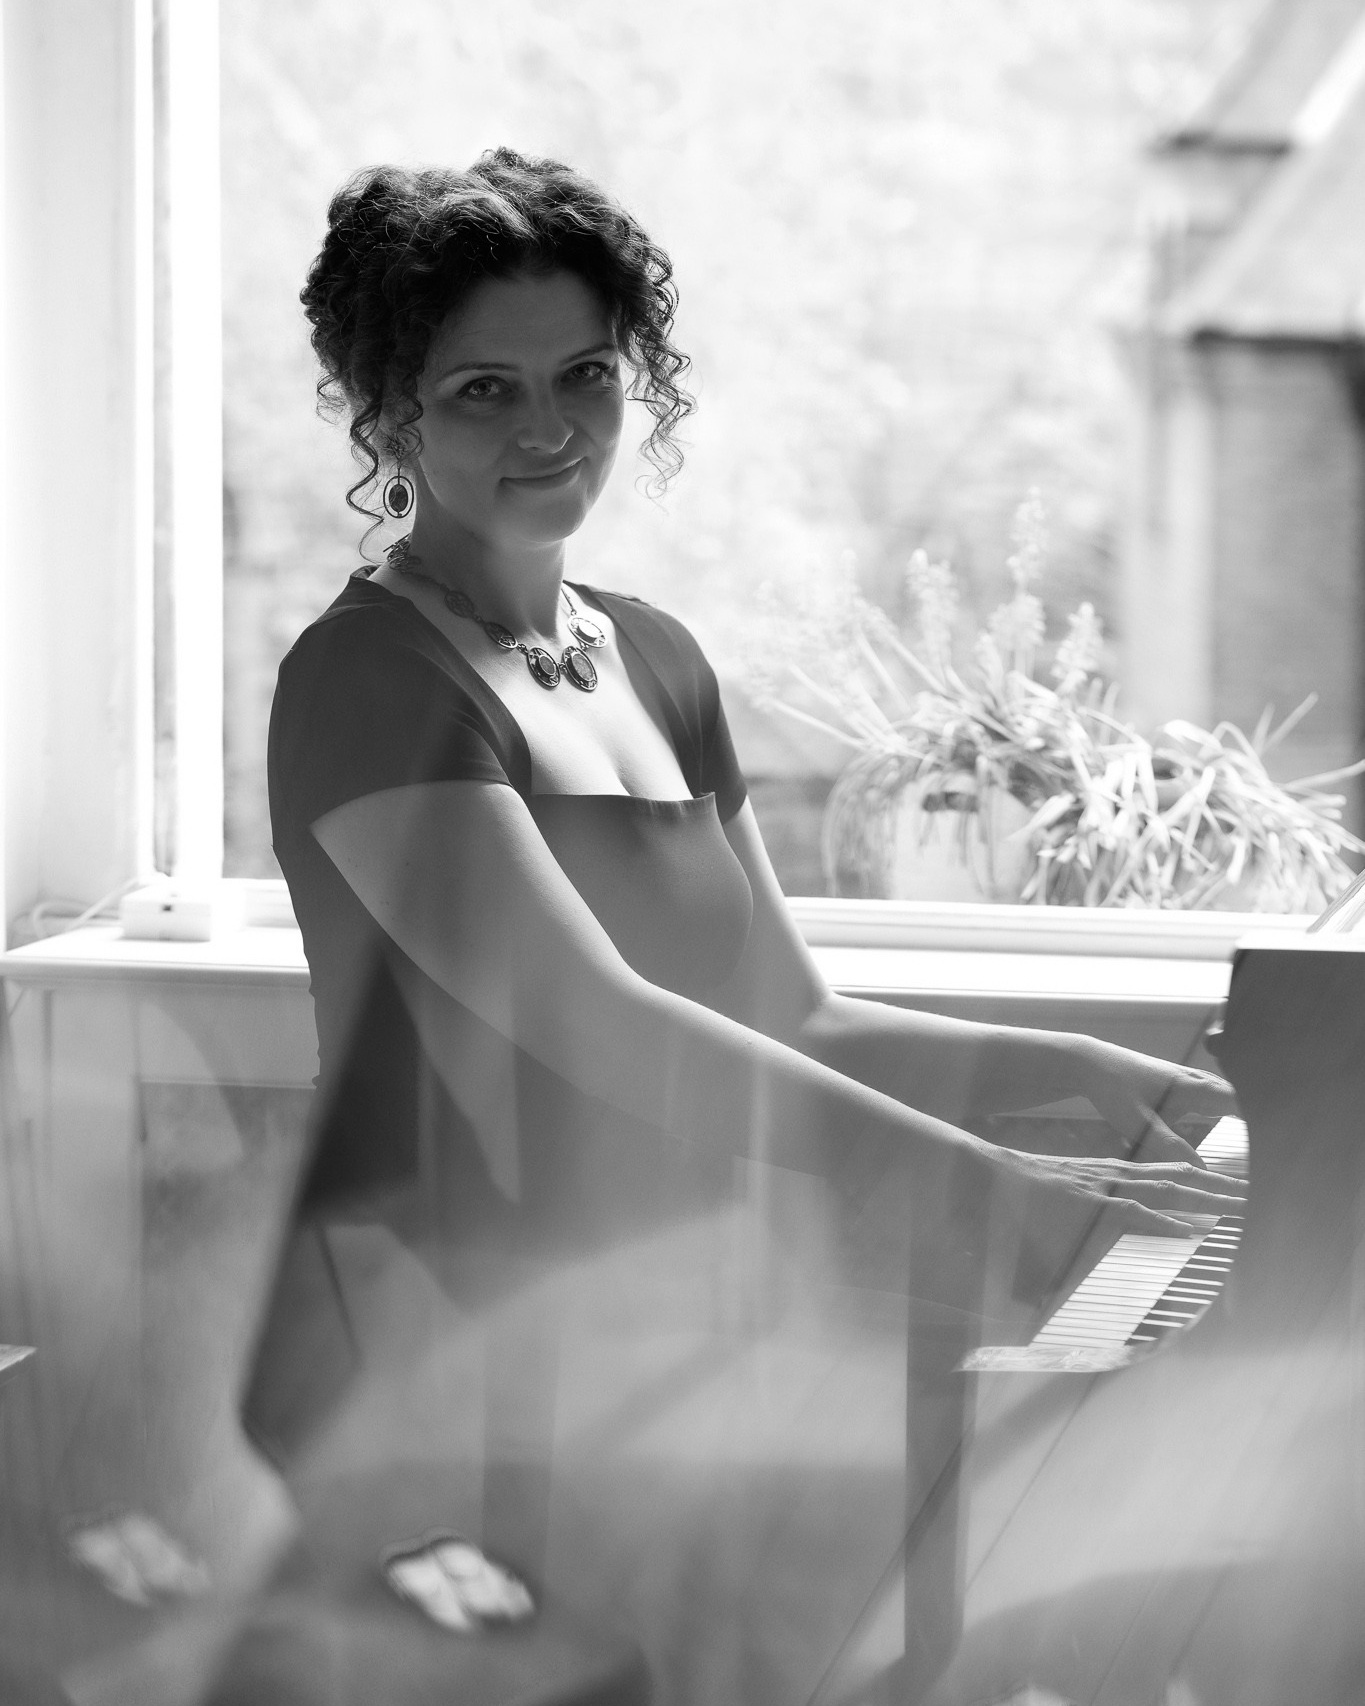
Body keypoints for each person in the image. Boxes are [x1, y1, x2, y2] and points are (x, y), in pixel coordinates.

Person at [251, 147, 1243, 1688]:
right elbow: (599, 1026)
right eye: (481, 392)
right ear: (385, 414)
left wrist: (1092, 1075)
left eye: (583, 372)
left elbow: (790, 1012)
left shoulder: (653, 658)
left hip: (686, 1287)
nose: (549, 427)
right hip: (466, 1340)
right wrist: (986, 1182)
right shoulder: (369, 681)